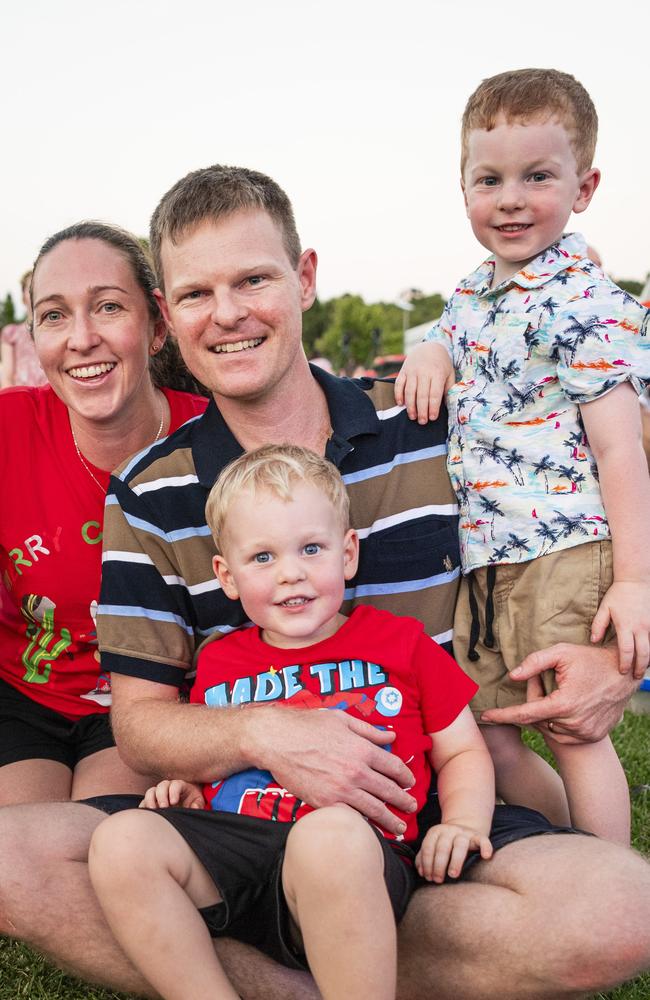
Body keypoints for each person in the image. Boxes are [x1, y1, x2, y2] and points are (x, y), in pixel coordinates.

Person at [0, 166, 647, 1000]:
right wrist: (268, 736)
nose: (227, 314)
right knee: (11, 860)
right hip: (244, 823)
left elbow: (593, 490)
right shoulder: (151, 494)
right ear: (168, 315)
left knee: (621, 907)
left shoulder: (428, 424)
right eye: (197, 293)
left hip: (423, 817)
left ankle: (328, 954)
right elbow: (142, 728)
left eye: (254, 280)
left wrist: (617, 648)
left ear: (304, 278)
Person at [88, 444, 494, 1000]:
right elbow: (223, 756)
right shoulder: (221, 662)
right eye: (263, 558)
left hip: (354, 862)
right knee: (121, 841)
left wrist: (464, 822)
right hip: (244, 857)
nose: (290, 574)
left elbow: (462, 751)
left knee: (328, 835)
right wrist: (189, 789)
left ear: (347, 554)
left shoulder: (402, 644)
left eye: (310, 548)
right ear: (226, 577)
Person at [396, 68, 650, 845]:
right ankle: (569, 850)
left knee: (573, 729)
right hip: (483, 558)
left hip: (566, 548)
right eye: (489, 179)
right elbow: (454, 336)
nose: (510, 198)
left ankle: (611, 894)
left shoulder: (587, 302)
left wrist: (638, 582)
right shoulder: (471, 295)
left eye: (537, 176)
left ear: (585, 186)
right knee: (492, 730)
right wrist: (433, 348)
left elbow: (622, 452)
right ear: (463, 187)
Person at [0, 221, 207, 805]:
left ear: (157, 325)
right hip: (24, 697)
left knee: (99, 840)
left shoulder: (214, 441)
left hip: (153, 706)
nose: (81, 339)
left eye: (109, 307)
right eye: (54, 315)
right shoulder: (9, 428)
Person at [0, 269, 47, 387]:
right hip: (23, 396)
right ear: (23, 297)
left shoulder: (58, 330)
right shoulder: (11, 333)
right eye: (30, 289)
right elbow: (7, 376)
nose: (34, 293)